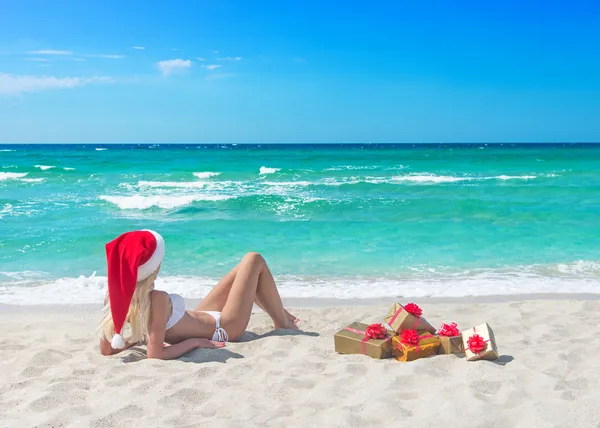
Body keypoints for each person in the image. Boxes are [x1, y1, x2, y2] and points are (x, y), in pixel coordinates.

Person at [99, 230, 299, 360]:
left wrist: (133, 339)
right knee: (253, 259)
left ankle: (279, 311)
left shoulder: (119, 298)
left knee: (244, 272)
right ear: (153, 268)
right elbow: (155, 354)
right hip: (225, 327)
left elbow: (107, 350)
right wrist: (195, 342)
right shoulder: (157, 298)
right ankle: (282, 322)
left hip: (203, 316)